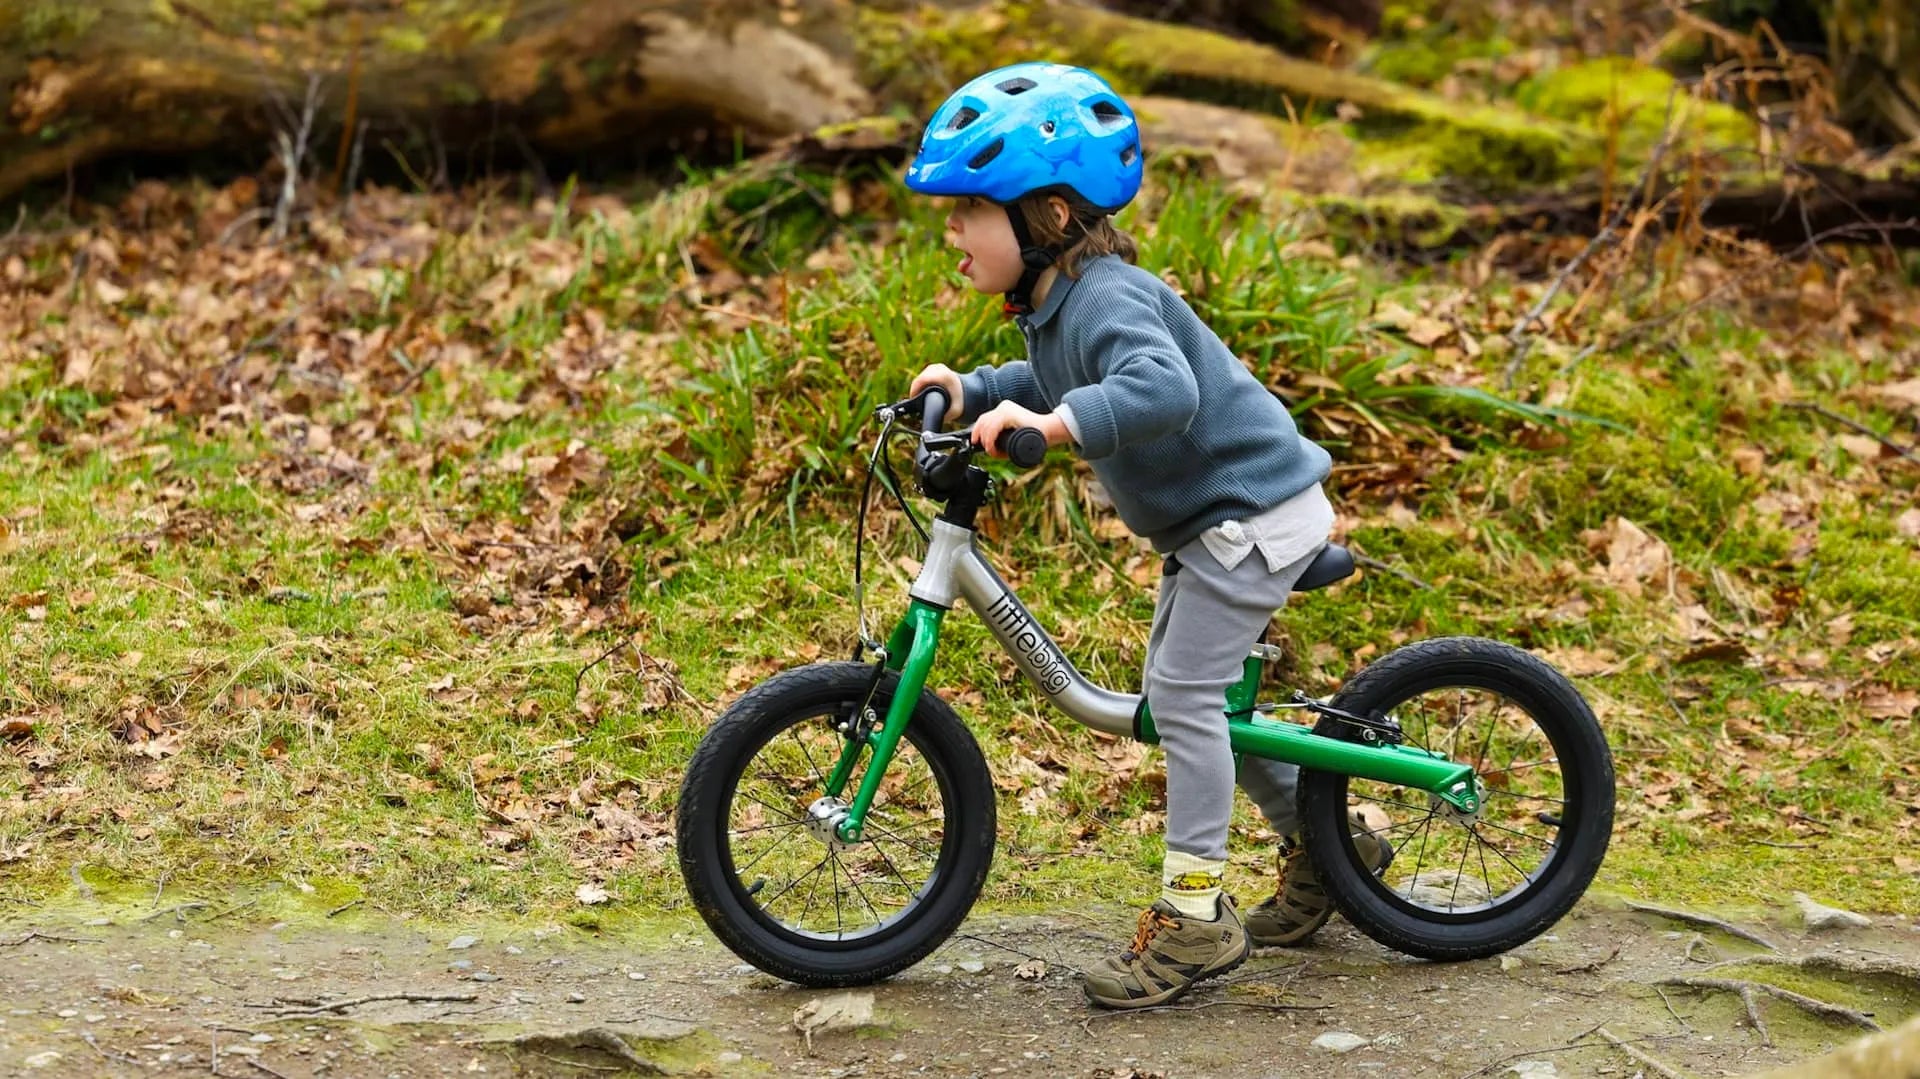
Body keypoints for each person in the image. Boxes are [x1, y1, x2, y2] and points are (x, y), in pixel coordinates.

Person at [902, 62, 1390, 1010]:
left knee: (1181, 697)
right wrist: (972, 391)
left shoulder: (1110, 294)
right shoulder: (1057, 304)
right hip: (1217, 524)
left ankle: (1197, 918)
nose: (952, 229)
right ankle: (1338, 853)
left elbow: (1162, 390)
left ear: (1044, 218)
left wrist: (1052, 430)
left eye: (968, 209)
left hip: (1251, 515)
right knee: (1202, 708)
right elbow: (1047, 374)